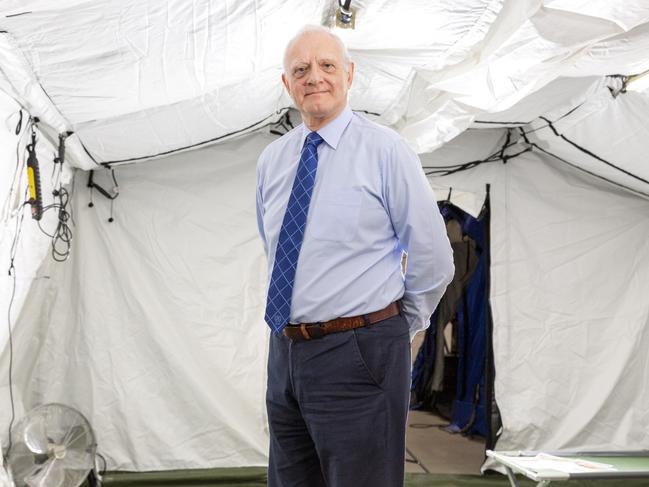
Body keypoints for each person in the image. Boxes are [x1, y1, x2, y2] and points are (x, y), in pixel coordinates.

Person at [255, 25, 454, 487]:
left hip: (361, 349)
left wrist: (398, 326)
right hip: (285, 353)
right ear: (286, 84)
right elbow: (277, 250)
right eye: (300, 69)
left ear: (349, 74)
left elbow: (433, 256)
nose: (314, 77)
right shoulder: (273, 160)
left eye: (327, 65)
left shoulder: (386, 150)